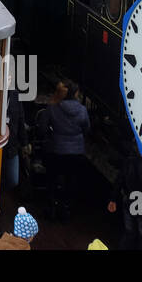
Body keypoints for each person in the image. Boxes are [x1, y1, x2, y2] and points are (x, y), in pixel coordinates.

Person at [44, 79, 90, 218]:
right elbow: (87, 129)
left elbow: (42, 127)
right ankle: (65, 210)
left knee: (52, 179)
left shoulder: (53, 108)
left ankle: (51, 208)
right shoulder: (82, 110)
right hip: (76, 152)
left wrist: (51, 137)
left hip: (56, 150)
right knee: (71, 181)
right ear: (76, 94)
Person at [3, 93, 28, 192]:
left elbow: (21, 120)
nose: (7, 79)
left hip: (12, 145)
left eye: (9, 77)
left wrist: (24, 143)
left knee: (13, 180)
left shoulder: (14, 95)